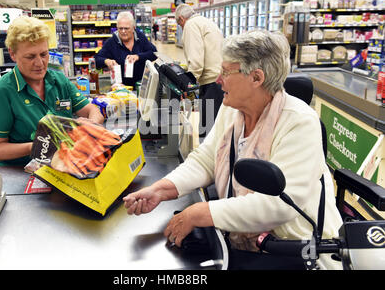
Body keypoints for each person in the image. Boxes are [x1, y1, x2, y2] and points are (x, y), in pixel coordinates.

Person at [123, 30, 343, 270]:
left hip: (293, 249)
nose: (218, 79)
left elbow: (280, 205)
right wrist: (161, 189)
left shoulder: (300, 123)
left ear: (256, 78)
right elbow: (207, 159)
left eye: (226, 72)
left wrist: (199, 212)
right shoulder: (233, 109)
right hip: (242, 239)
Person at [0, 16, 104, 167]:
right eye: (30, 56)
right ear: (12, 54)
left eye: (44, 54)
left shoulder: (59, 81)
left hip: (61, 167)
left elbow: (92, 110)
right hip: (19, 174)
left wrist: (90, 125)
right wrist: (39, 145)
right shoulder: (0, 93)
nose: (39, 63)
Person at [175, 3, 225, 137]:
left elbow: (196, 61)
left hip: (210, 83)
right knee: (217, 127)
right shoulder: (206, 22)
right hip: (221, 79)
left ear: (181, 19)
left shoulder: (190, 25)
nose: (181, 27)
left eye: (179, 25)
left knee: (207, 130)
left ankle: (208, 158)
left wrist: (187, 83)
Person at [94, 11, 157, 87]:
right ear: (117, 28)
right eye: (120, 28)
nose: (123, 31)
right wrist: (106, 61)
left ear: (133, 28)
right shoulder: (111, 42)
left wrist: (138, 56)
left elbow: (154, 53)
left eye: (126, 28)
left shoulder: (140, 37)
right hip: (121, 88)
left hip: (141, 85)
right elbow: (96, 59)